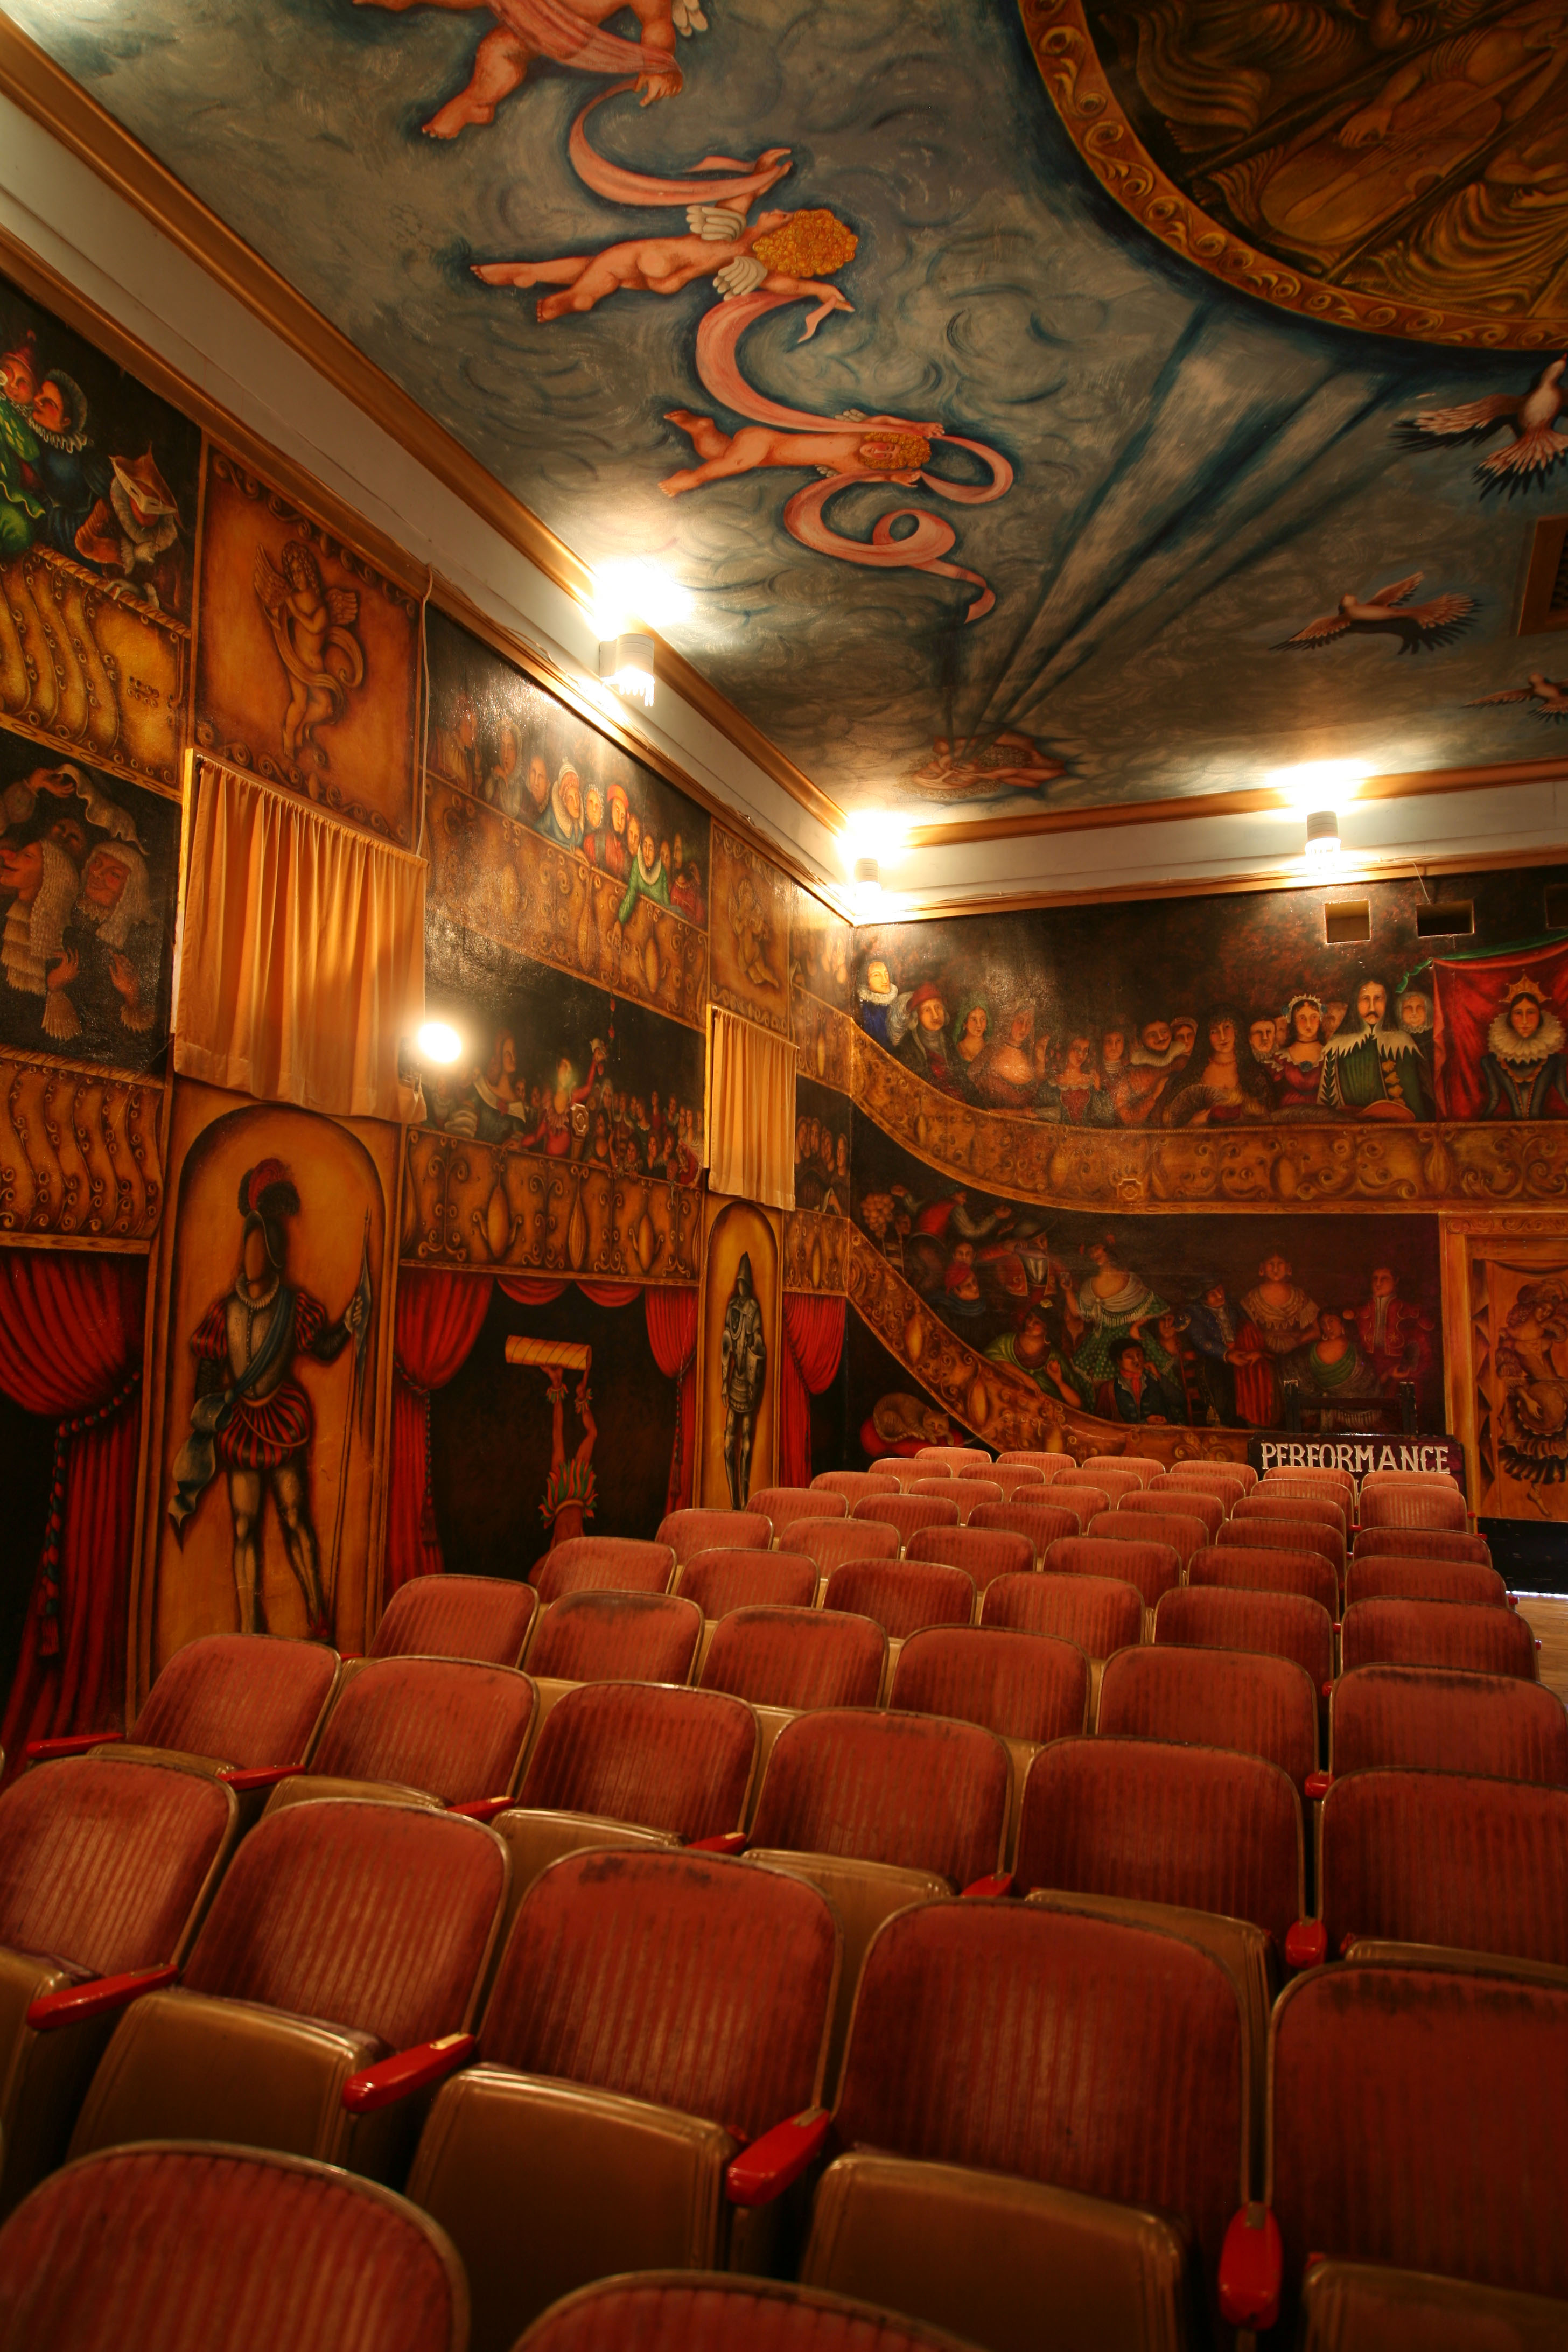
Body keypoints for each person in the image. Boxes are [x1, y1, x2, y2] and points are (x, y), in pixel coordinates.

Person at [169, 1159, 371, 1639]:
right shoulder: (225, 1311)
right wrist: (207, 1418)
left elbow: (320, 1348)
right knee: (244, 1527)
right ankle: (248, 1628)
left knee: (296, 1518)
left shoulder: (293, 1306)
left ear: (274, 1253)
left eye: (260, 1249)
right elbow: (208, 1374)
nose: (251, 1257)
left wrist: (347, 1323)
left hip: (281, 1420)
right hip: (240, 1425)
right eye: (248, 1248)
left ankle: (318, 1615)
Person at [1069, 1233, 1172, 1389]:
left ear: (1107, 1248)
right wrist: (1067, 1291)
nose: (1095, 1255)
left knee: (1149, 1380)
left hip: (1132, 1338)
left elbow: (1152, 1303)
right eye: (1091, 1253)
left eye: (1097, 1249)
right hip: (1100, 1341)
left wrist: (1136, 1326)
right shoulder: (1089, 1285)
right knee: (1102, 1386)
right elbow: (1077, 1312)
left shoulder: (1128, 1278)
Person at [1318, 977, 1430, 1117]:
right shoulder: (1336, 1046)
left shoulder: (1402, 1043)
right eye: (1365, 999)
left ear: (1387, 1002)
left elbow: (1414, 1100)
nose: (1372, 1007)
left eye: (1378, 998)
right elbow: (1327, 1102)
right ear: (1355, 1003)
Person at [1479, 975, 1568, 1117]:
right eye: (1518, 1013)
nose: (1525, 1021)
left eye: (1531, 1012)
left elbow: (1566, 1097)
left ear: (1540, 1017)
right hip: (1510, 1134)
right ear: (1509, 1018)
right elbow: (1494, 1102)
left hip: (1544, 1133)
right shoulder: (1491, 1062)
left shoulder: (1556, 1061)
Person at [720, 1252, 767, 1507]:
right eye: (739, 1283)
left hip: (748, 1386)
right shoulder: (732, 1308)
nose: (741, 1286)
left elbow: (757, 1344)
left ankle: (746, 1500)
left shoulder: (754, 1309)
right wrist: (724, 1383)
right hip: (735, 1382)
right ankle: (733, 1502)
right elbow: (727, 1343)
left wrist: (754, 1384)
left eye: (743, 1283)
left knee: (747, 1443)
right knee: (728, 1443)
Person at [1346, 1264, 1436, 1390]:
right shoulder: (1358, 1314)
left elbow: (1425, 1356)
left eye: (1384, 1279)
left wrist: (1407, 1372)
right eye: (1375, 1278)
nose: (1378, 1283)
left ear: (1396, 1281)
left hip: (1400, 1372)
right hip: (1366, 1371)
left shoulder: (1412, 1313)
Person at [537, 1371, 598, 1547]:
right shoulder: (577, 1545)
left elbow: (535, 1574)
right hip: (579, 1490)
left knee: (558, 1438)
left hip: (561, 1493)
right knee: (592, 1434)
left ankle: (557, 1384)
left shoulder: (558, 1548)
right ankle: (581, 1394)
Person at [986, 1302, 1087, 1406]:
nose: (1029, 1324)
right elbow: (990, 1358)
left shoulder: (1056, 1358)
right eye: (1030, 1318)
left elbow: (1078, 1404)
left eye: (1037, 1322)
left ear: (1047, 1329)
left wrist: (1059, 1382)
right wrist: (1026, 1379)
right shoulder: (1007, 1342)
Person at [1290, 1309, 1382, 1413]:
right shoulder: (1311, 1350)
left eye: (1331, 1321)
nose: (1328, 1328)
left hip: (1354, 1412)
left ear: (1342, 1322)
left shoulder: (1357, 1350)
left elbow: (1369, 1381)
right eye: (1323, 1324)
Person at [895, 982, 961, 1090]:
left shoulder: (948, 1041)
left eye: (938, 1007)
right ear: (917, 1016)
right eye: (927, 1010)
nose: (935, 1015)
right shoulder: (907, 1049)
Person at [1276, 993, 1326, 1115]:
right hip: (1288, 1110)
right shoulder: (1281, 1056)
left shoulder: (1329, 1053)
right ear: (1293, 1021)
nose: (1308, 1024)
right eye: (1302, 1018)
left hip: (1321, 1111)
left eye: (1314, 1017)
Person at [857, 956, 899, 1046]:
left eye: (886, 974)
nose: (885, 980)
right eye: (876, 975)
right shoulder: (865, 1010)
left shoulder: (898, 1004)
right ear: (866, 982)